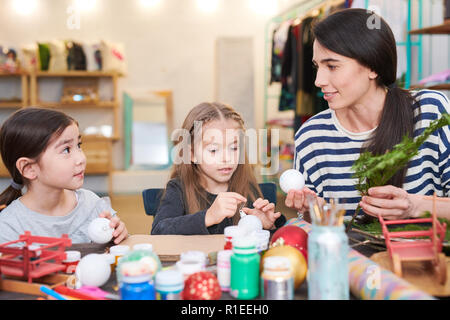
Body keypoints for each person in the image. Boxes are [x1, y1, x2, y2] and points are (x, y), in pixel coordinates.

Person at [285, 8, 450, 220]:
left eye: (332, 66)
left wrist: (414, 206)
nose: (318, 81)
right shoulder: (311, 137)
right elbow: (319, 232)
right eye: (317, 66)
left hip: (426, 251)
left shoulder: (430, 112)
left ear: (372, 67)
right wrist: (314, 212)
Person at [151, 102, 286, 235]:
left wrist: (268, 225)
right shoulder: (178, 189)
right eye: (214, 150)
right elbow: (159, 231)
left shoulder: (248, 189)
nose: (226, 158)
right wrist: (208, 217)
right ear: (191, 154)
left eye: (234, 148)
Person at [0, 108, 128, 244]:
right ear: (29, 168)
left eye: (78, 145)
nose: (81, 158)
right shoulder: (9, 227)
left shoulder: (92, 204)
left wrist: (119, 236)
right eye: (66, 150)